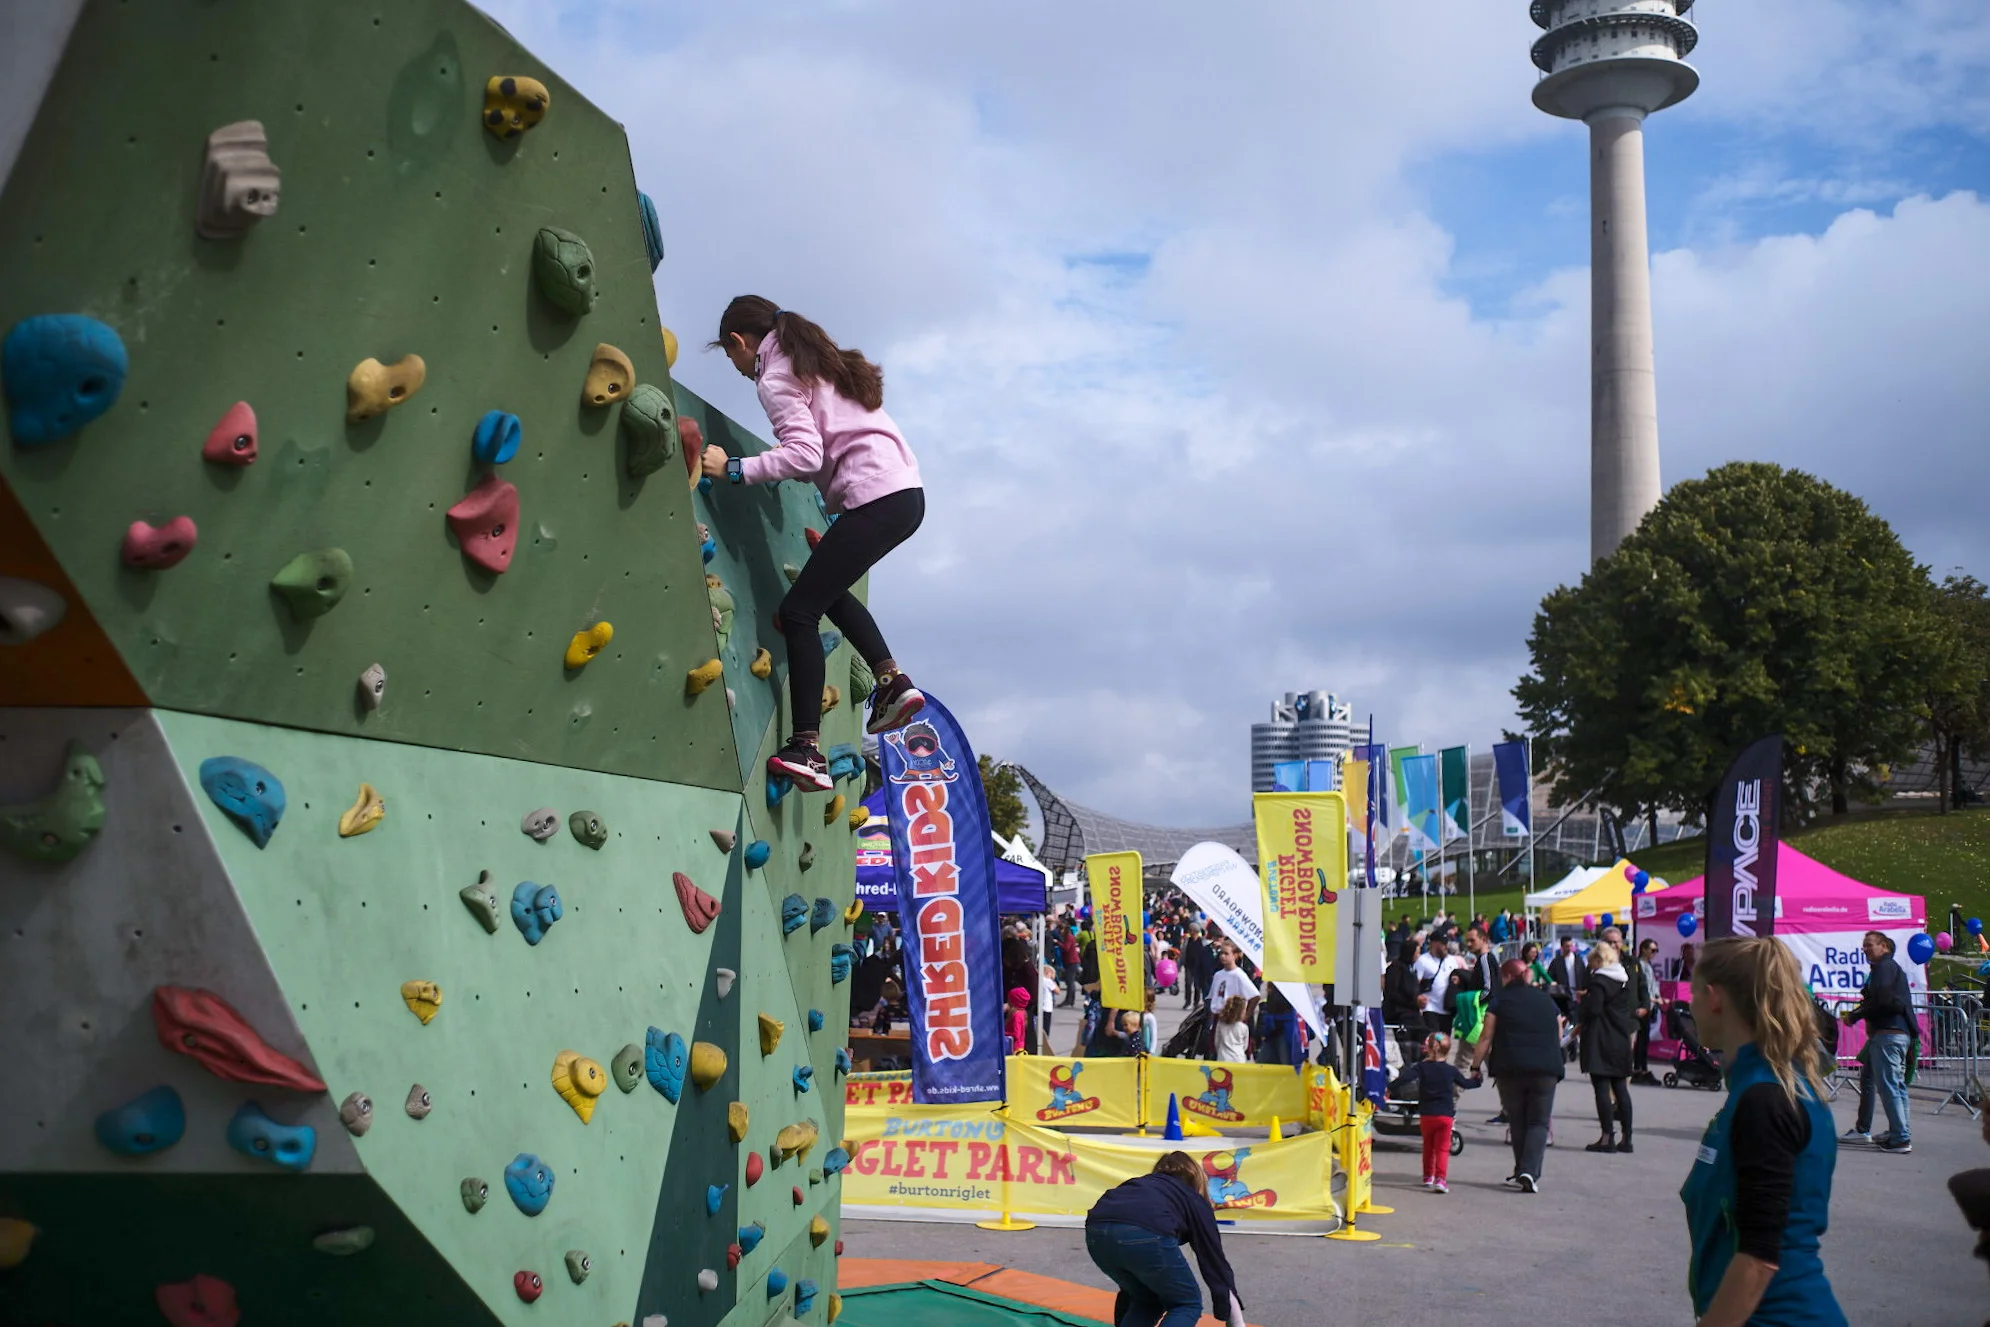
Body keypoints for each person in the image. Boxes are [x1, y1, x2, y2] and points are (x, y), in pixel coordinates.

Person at [703, 297, 926, 789]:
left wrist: (734, 469)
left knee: (800, 611)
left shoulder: (775, 376)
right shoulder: (819, 363)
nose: (738, 370)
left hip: (875, 498)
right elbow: (831, 444)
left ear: (739, 343)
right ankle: (890, 682)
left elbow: (804, 453)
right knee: (825, 593)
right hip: (905, 495)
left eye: (730, 358)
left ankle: (806, 746)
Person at [1681, 937, 1847, 1326]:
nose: (1690, 1005)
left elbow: (1758, 1258)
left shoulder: (1766, 1099)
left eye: (1693, 992)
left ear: (1714, 997)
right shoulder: (1765, 1085)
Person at [1086, 1151, 1246, 1327]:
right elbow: (1215, 1264)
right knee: (1187, 1303)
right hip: (1145, 1231)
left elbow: (1127, 1293)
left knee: (1146, 1300)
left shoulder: (1143, 1185)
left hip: (1096, 1232)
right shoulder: (1191, 1197)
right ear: (1197, 1179)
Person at [1470, 958, 1565, 1193]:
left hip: (1510, 1068)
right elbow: (1559, 1031)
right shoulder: (1547, 1000)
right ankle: (1529, 1171)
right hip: (1545, 1069)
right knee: (1538, 1122)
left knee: (1518, 1119)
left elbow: (1486, 1036)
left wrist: (1475, 1066)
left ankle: (1521, 1168)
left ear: (1508, 977)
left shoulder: (1499, 1001)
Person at [1840, 930, 1916, 1153]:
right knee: (1884, 1082)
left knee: (1890, 1085)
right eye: (1863, 945)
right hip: (1889, 1033)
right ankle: (1896, 1132)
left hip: (1889, 1033)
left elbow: (1883, 1001)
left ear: (1884, 946)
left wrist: (1856, 1015)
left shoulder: (1884, 967)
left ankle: (1900, 1137)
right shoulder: (1884, 969)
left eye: (1869, 945)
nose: (1865, 949)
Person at [1392, 1033, 1482, 1193]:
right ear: (1447, 1051)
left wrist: (1388, 1088)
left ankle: (1428, 1177)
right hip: (1445, 1115)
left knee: (1428, 1146)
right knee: (1442, 1148)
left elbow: (1405, 1079)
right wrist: (1477, 1080)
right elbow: (1466, 1084)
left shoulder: (1421, 1067)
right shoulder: (1451, 1070)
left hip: (1427, 1114)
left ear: (1428, 1049)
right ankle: (1440, 1179)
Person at [1576, 941, 1637, 1154]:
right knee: (1621, 1088)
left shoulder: (1599, 981)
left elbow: (1594, 1009)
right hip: (1620, 1038)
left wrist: (1583, 1002)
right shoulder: (1623, 979)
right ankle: (1627, 1137)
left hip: (1601, 1039)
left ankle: (1607, 1136)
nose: (1591, 968)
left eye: (1593, 963)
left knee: (1601, 1088)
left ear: (1600, 960)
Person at [1383, 939, 1425, 1061]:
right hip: (1401, 1014)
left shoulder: (1410, 968)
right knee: (1406, 1048)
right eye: (1417, 952)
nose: (1418, 956)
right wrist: (1414, 1001)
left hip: (1413, 1013)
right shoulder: (1395, 969)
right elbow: (1393, 993)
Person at [1632, 938, 1663, 1085]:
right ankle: (1638, 1069)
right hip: (1642, 1007)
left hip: (1649, 1007)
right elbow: (1640, 987)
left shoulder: (1648, 966)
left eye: (1656, 950)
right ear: (1643, 949)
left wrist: (1658, 997)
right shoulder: (1638, 965)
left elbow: (1652, 985)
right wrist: (1652, 999)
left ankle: (1642, 1067)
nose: (1654, 953)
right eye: (1652, 950)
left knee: (1644, 1040)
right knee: (1640, 1040)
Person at [1206, 944, 1260, 1018]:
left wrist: (1246, 1016)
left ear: (1235, 955)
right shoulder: (1218, 975)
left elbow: (1255, 996)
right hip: (1218, 1017)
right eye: (1221, 953)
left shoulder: (1238, 974)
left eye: (1226, 954)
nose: (1222, 956)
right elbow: (1213, 997)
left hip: (1232, 1019)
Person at [1213, 996, 1251, 1063]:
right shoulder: (1244, 1027)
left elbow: (1217, 1042)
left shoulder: (1220, 1024)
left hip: (1223, 1057)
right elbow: (1245, 1046)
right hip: (1239, 1057)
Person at [1005, 986, 1031, 1055]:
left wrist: (1004, 1033)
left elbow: (1016, 1034)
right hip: (1019, 1047)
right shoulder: (1022, 1012)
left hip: (1015, 1049)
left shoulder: (1017, 1015)